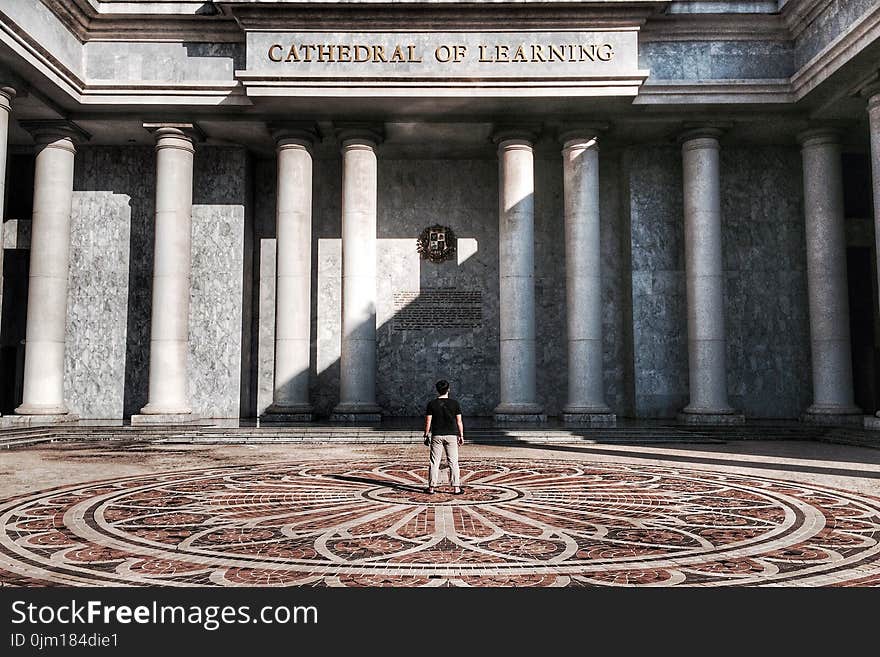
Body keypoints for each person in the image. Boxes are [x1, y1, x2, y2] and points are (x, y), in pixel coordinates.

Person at [423, 379, 464, 495]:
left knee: (434, 462)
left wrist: (426, 435)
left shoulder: (431, 404)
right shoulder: (455, 404)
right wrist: (461, 435)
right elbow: (459, 421)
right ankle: (456, 487)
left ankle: (431, 487)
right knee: (453, 462)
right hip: (451, 435)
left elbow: (428, 422)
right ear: (448, 389)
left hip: (437, 435)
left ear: (437, 390)